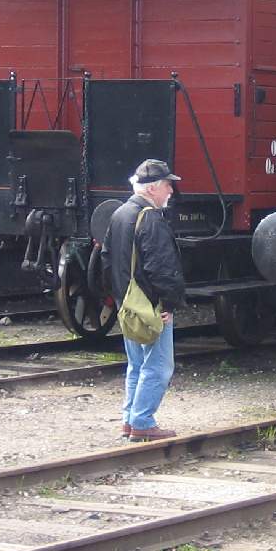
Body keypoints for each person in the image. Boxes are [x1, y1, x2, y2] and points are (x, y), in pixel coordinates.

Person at [102, 159, 186, 441]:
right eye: (167, 185)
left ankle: (129, 420)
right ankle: (143, 422)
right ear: (152, 188)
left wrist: (119, 296)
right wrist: (169, 303)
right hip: (151, 305)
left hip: (128, 303)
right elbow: (162, 267)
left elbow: (105, 260)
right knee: (159, 365)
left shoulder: (120, 213)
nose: (171, 191)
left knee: (136, 364)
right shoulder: (151, 218)